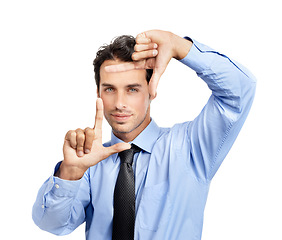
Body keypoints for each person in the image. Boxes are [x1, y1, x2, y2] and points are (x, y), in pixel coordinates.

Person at [32, 30, 256, 240]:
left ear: (151, 89)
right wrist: (70, 172)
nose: (120, 104)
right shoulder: (89, 163)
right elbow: (51, 224)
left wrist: (180, 47)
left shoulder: (190, 147)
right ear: (98, 92)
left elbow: (240, 90)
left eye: (132, 89)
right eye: (109, 89)